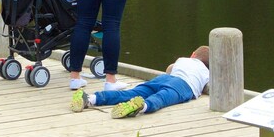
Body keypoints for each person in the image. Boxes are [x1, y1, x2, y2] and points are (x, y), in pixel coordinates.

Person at [70, 46, 209, 118]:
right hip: (183, 85)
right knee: (161, 98)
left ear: (193, 55)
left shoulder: (183, 59)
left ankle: (91, 98)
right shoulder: (207, 72)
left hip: (164, 78)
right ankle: (142, 106)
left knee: (132, 92)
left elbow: (170, 69)